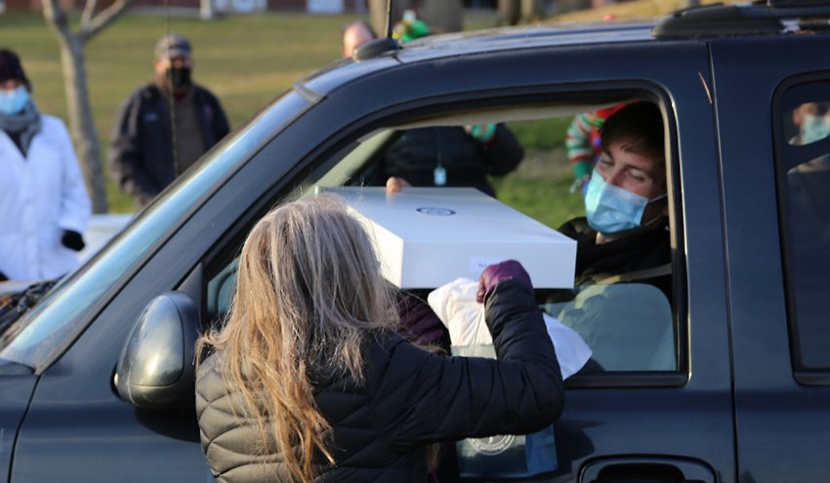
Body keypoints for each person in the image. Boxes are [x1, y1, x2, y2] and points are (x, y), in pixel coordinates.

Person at [195, 194, 563, 483]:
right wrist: (508, 293)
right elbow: (535, 391)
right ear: (351, 278)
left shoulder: (212, 380)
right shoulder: (377, 368)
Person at [558, 101, 671, 294]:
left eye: (635, 176)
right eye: (607, 162)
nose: (609, 182)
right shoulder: (574, 233)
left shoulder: (645, 287)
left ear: (668, 201)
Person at [109, 34, 230, 209]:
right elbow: (121, 161)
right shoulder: (140, 105)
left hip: (206, 202)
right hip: (159, 209)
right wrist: (150, 200)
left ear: (192, 63)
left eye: (183, 60)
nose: (179, 66)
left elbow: (226, 148)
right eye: (172, 60)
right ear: (157, 64)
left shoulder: (206, 102)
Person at [0, 49, 91, 282]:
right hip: (8, 269)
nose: (10, 93)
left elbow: (74, 188)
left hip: (57, 264)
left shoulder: (54, 130)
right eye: (3, 87)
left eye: (15, 85)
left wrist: (73, 227)